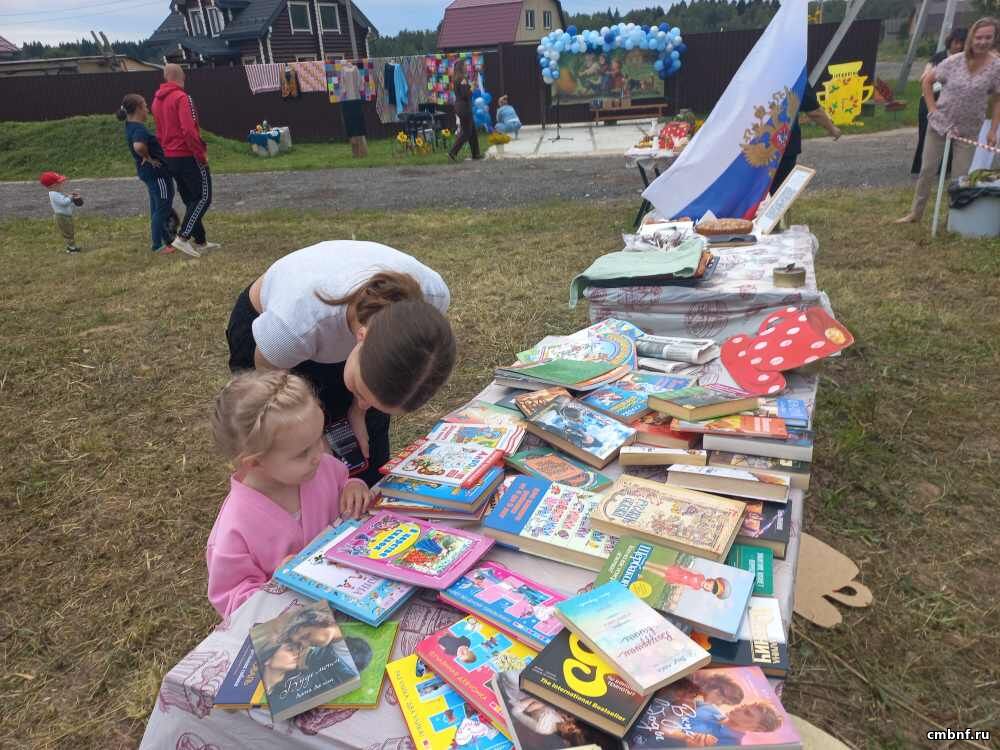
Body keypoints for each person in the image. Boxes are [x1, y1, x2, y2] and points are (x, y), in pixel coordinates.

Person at [224, 240, 455, 486]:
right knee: (291, 456)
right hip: (270, 350)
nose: (365, 404)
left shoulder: (432, 299)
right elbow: (271, 383)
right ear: (360, 338)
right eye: (360, 393)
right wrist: (313, 434)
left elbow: (372, 389)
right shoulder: (293, 331)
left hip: (334, 338)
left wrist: (358, 412)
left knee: (364, 465)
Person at [206, 370, 373, 618]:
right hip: (302, 624)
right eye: (302, 452)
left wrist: (353, 486)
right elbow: (232, 601)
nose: (318, 454)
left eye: (319, 438)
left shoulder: (320, 468)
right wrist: (277, 585)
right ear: (254, 463)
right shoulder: (234, 530)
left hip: (355, 594)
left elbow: (341, 482)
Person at [898, 17, 1000, 223]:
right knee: (927, 169)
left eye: (988, 37)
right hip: (940, 124)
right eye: (979, 37)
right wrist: (933, 110)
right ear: (971, 37)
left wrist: (993, 130)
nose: (982, 42)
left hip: (969, 129)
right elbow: (927, 81)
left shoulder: (997, 67)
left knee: (960, 176)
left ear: (994, 38)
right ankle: (916, 213)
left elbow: (998, 99)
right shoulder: (954, 61)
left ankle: (952, 218)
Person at [151, 63, 217, 257]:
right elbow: (189, 130)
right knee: (203, 197)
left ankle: (201, 240)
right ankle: (183, 237)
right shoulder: (182, 98)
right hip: (187, 155)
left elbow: (159, 132)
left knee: (190, 199)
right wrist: (200, 155)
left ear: (166, 77)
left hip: (170, 156)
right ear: (183, 76)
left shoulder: (156, 102)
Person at [117, 94, 176, 254]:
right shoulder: (139, 128)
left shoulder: (130, 125)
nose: (147, 110)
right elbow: (138, 146)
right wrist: (148, 157)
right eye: (145, 106)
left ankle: (165, 240)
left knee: (157, 206)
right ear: (138, 109)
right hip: (157, 173)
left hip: (147, 173)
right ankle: (158, 245)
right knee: (163, 206)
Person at [912, 28, 968, 174]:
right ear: (950, 42)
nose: (959, 46)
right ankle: (921, 168)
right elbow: (924, 78)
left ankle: (946, 170)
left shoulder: (966, 60)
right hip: (931, 100)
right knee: (926, 135)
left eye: (962, 43)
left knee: (952, 136)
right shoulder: (939, 57)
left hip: (952, 103)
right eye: (956, 42)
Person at [771, 82, 842, 194]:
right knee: (779, 191)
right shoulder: (795, 77)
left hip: (754, 143)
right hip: (784, 144)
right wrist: (832, 129)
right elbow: (814, 112)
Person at [40, 171, 82, 253]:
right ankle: (71, 248)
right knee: (68, 232)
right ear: (53, 185)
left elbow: (63, 200)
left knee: (70, 231)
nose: (62, 184)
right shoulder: (53, 194)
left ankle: (72, 246)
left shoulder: (56, 193)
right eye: (60, 183)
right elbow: (64, 202)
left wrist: (69, 197)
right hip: (62, 217)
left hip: (66, 216)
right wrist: (70, 198)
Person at [448, 60, 482, 161]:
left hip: (462, 107)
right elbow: (465, 94)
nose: (467, 67)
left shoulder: (457, 79)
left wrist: (471, 86)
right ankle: (453, 152)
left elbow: (464, 91)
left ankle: (476, 154)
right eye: (465, 65)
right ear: (461, 67)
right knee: (466, 132)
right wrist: (472, 88)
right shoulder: (462, 79)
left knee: (472, 131)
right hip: (464, 108)